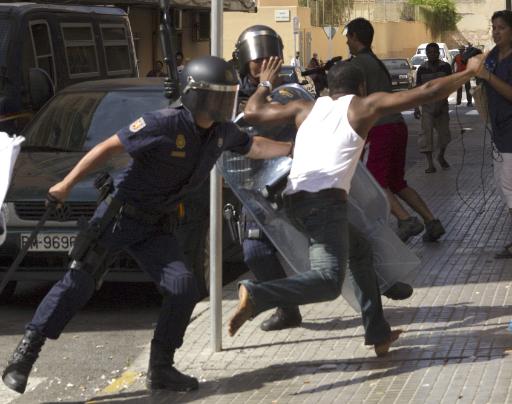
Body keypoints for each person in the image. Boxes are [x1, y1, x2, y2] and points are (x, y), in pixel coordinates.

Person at [1, 56, 294, 395]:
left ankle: (161, 368)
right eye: (218, 97)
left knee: (183, 287)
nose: (225, 105)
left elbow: (253, 146)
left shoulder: (222, 133)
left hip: (155, 225)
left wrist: (292, 149)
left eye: (228, 97)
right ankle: (23, 357)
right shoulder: (163, 124)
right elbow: (108, 146)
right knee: (77, 284)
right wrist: (66, 184)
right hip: (119, 217)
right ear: (196, 96)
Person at [228, 52, 485, 348]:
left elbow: (252, 113)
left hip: (295, 203)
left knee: (360, 251)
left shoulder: (305, 108)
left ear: (329, 88)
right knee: (327, 282)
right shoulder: (363, 107)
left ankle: (377, 331)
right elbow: (428, 91)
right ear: (361, 87)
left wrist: (264, 84)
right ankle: (258, 294)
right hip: (324, 205)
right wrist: (468, 73)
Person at [233, 25, 413, 334]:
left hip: (300, 178)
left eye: (269, 58)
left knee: (353, 241)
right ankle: (285, 307)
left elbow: (308, 131)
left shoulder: (289, 92)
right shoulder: (231, 93)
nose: (263, 64)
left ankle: (380, 302)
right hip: (258, 185)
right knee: (256, 251)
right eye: (256, 59)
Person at [345, 18, 445, 243]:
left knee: (373, 183)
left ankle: (405, 220)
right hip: (396, 125)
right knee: (396, 182)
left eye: (347, 38)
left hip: (379, 128)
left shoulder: (357, 64)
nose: (346, 42)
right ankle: (431, 221)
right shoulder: (376, 62)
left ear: (353, 37)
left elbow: (358, 97)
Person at [476, 10, 512, 259]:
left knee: (509, 187)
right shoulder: (493, 57)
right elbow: (479, 71)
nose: (496, 32)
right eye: (493, 27)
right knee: (504, 186)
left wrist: (487, 76)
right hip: (499, 130)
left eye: (501, 27)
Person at [414, 43, 453, 173]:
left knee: (445, 136)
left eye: (435, 52)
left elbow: (450, 85)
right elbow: (418, 89)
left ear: (438, 53)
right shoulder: (422, 69)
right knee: (426, 137)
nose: (432, 54)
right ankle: (430, 164)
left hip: (442, 107)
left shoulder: (446, 67)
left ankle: (440, 156)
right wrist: (415, 108)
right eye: (430, 52)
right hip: (427, 108)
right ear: (426, 54)